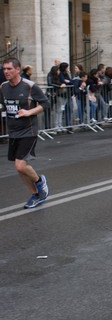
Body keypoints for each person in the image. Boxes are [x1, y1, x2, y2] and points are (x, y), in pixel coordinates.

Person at [0, 58, 50, 209]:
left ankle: (40, 181)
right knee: (19, 167)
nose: (6, 72)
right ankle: (35, 194)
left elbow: (45, 103)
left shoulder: (29, 86)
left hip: (29, 130)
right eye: (4, 69)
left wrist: (29, 111)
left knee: (21, 166)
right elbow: (4, 104)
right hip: (13, 131)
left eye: (9, 69)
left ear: (18, 69)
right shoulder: (3, 87)